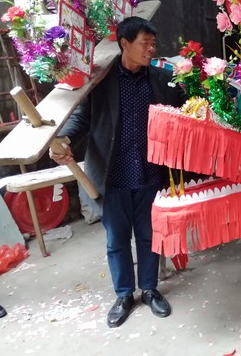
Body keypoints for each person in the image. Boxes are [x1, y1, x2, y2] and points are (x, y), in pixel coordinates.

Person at [50, 17, 186, 328]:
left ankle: (149, 289)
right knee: (117, 239)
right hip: (112, 174)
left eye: (153, 44)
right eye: (144, 43)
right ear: (125, 44)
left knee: (150, 236)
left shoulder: (163, 79)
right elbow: (81, 117)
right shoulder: (100, 81)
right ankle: (124, 294)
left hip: (151, 171)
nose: (151, 49)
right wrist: (65, 139)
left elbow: (186, 106)